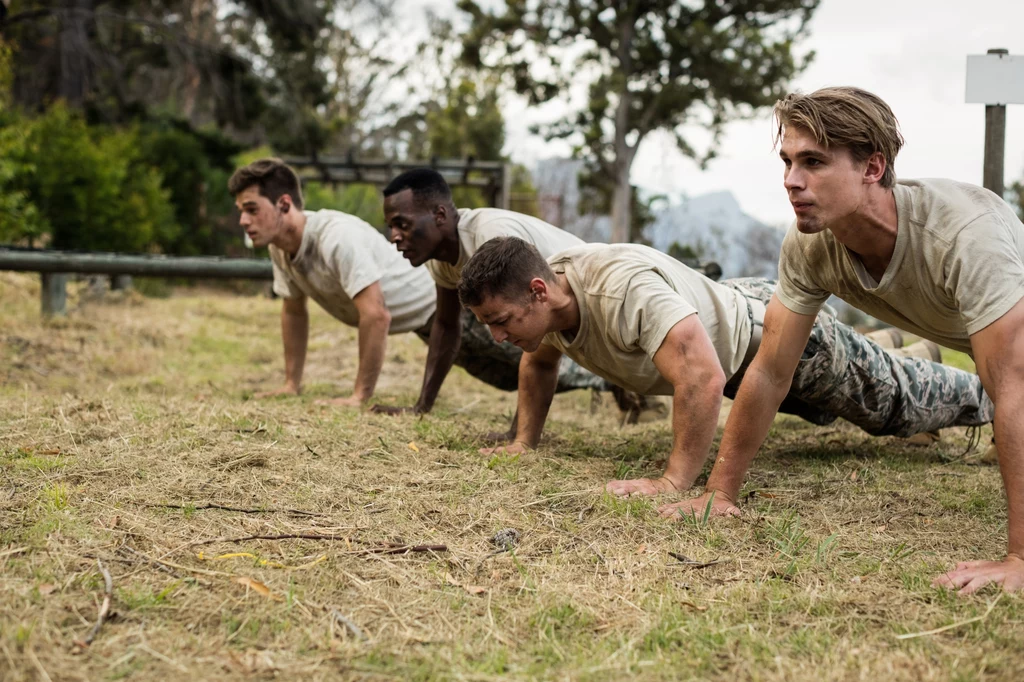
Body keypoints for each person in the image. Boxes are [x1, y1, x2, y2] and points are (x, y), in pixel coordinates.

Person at [668, 86, 1024, 594]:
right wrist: (718, 493)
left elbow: (1012, 384)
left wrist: (1019, 558)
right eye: (788, 161)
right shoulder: (810, 245)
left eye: (813, 162)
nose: (792, 181)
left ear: (872, 167)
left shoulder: (966, 233)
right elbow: (770, 370)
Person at [458, 236, 992, 499]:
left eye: (501, 321)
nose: (498, 337)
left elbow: (701, 377)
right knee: (841, 412)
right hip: (729, 323)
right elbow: (540, 365)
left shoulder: (619, 290)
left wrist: (673, 482)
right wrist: (524, 440)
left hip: (774, 336)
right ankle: (905, 353)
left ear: (537, 291)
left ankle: (995, 398)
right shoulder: (550, 302)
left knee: (894, 405)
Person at [375, 168, 634, 433]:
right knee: (482, 338)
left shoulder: (491, 237)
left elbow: (535, 312)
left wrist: (518, 436)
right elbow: (446, 326)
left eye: (402, 224)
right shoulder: (442, 262)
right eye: (391, 227)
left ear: (439, 215)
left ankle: (618, 386)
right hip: (555, 323)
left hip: (600, 307)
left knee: (511, 331)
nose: (394, 236)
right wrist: (421, 407)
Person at [229, 159, 436, 406]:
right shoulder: (279, 246)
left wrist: (359, 397)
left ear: (284, 204)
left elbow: (376, 315)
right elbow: (293, 311)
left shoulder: (336, 237)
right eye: (241, 210)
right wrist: (291, 385)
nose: (243, 220)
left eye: (252, 210)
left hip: (443, 307)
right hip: (419, 320)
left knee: (495, 367)